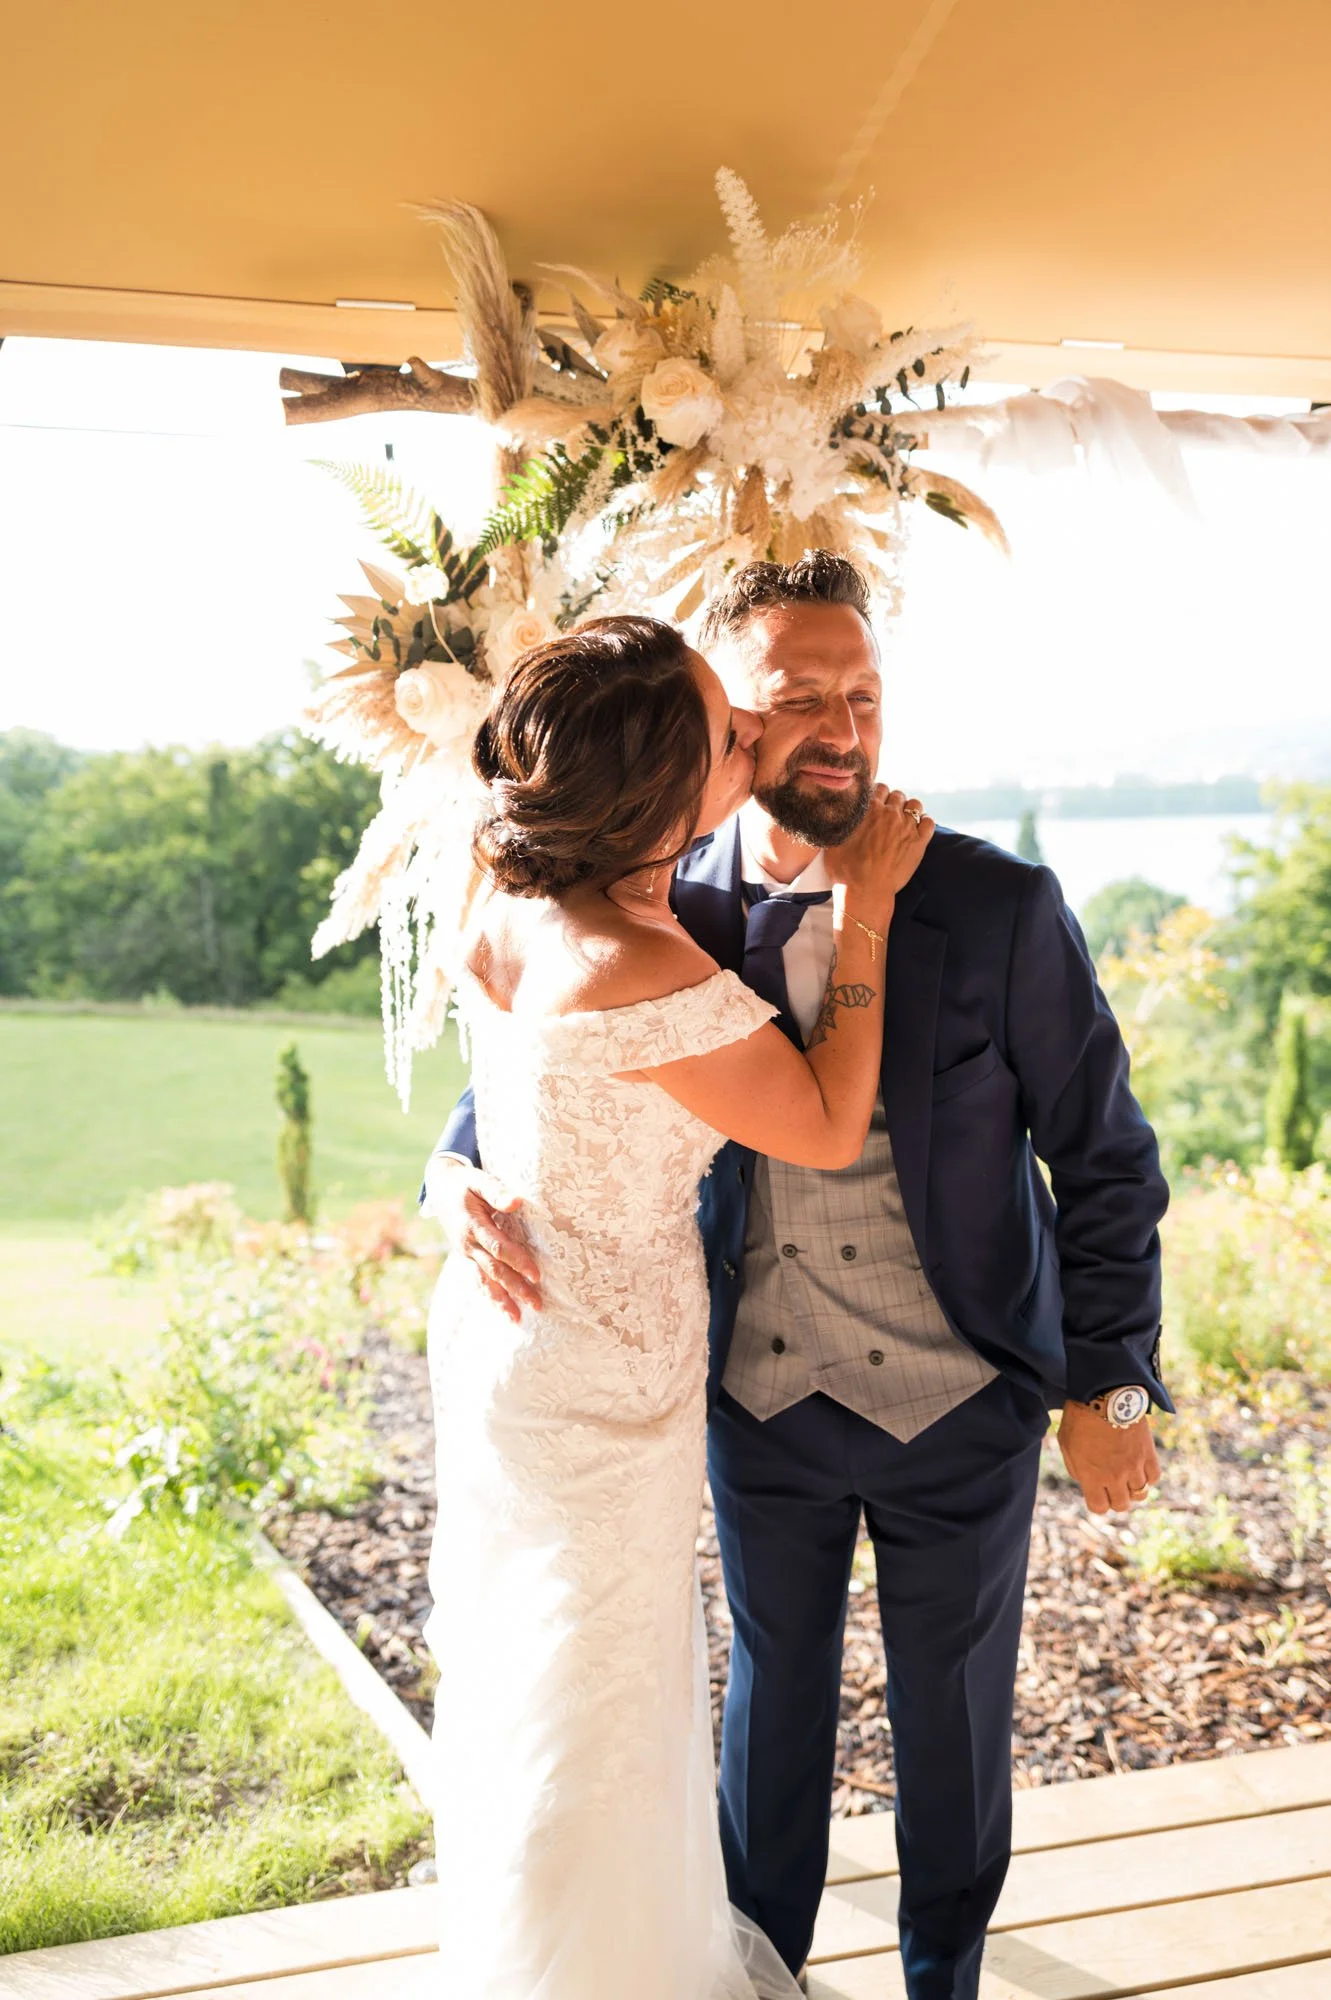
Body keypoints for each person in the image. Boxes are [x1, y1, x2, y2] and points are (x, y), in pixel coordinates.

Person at [430, 553, 1171, 2000]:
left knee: (955, 1736)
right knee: (758, 1729)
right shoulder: (656, 900)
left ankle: (940, 1980)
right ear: (728, 728)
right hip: (745, 1403)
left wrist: (1116, 1386)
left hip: (956, 1401)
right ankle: (748, 1971)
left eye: (865, 694)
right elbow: (506, 1084)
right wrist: (453, 1185)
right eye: (793, 701)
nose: (839, 729)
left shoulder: (1001, 909)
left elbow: (1106, 1158)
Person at [420, 611, 932, 1999]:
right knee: (609, 1706)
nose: (759, 740)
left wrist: (456, 1170)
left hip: (514, 1343)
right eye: (728, 733)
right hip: (605, 1373)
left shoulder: (502, 883)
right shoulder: (636, 967)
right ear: (657, 789)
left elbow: (504, 1072)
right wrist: (870, 905)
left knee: (553, 1679)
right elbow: (825, 1123)